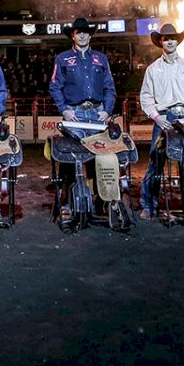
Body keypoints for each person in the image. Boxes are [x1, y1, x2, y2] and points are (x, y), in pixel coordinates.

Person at [48, 17, 117, 220]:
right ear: (73, 35)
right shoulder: (62, 59)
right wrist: (64, 110)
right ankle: (67, 201)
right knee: (70, 157)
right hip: (74, 114)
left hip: (97, 113)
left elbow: (110, 87)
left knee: (100, 157)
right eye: (79, 32)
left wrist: (107, 110)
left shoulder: (100, 58)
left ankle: (101, 200)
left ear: (90, 35)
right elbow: (54, 86)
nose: (83, 35)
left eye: (86, 32)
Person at [138, 23, 184, 219]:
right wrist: (157, 117)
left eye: (172, 38)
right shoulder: (153, 69)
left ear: (177, 41)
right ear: (160, 42)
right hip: (165, 117)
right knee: (155, 160)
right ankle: (148, 205)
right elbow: (146, 97)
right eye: (166, 38)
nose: (169, 41)